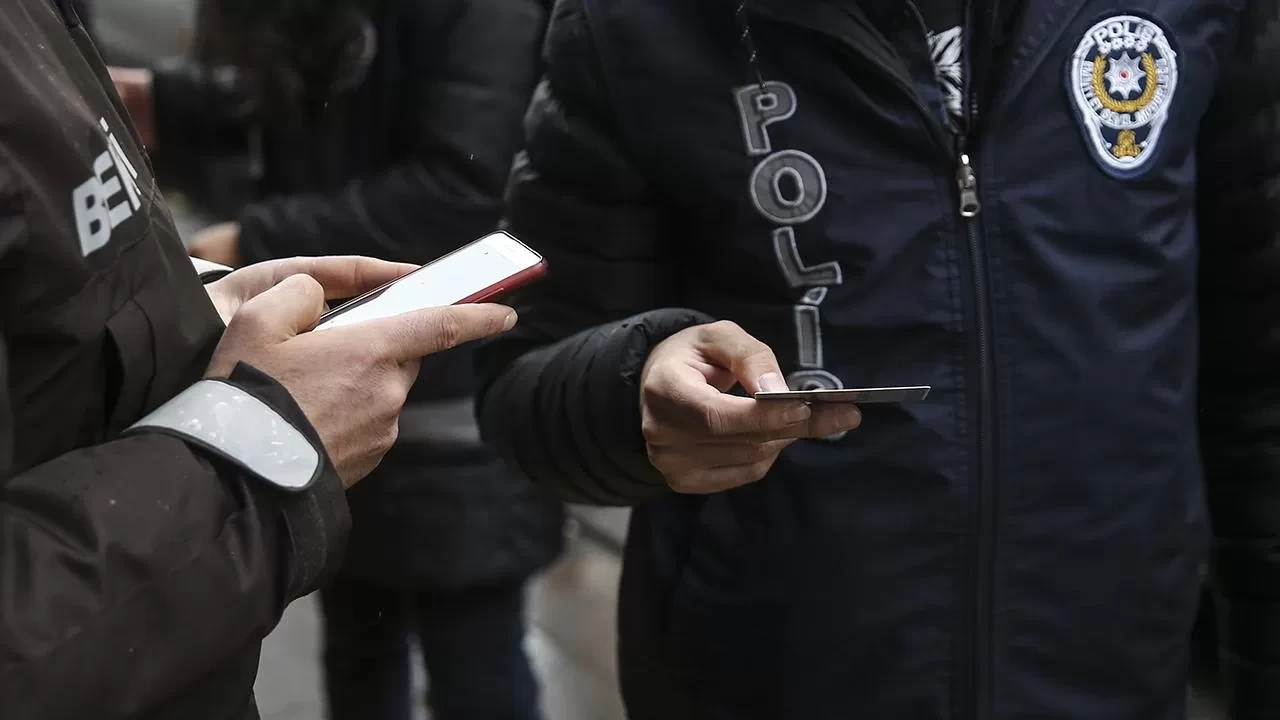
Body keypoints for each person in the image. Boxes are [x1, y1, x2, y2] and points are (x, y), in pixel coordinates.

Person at [475, 0, 1280, 718]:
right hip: (768, 674)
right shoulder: (633, 26)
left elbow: (1258, 383)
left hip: (1110, 666)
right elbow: (522, 377)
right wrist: (633, 389)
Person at [0, 1, 519, 718]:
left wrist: (193, 297)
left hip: (429, 423)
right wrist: (254, 447)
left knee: (472, 657)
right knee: (367, 654)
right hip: (294, 446)